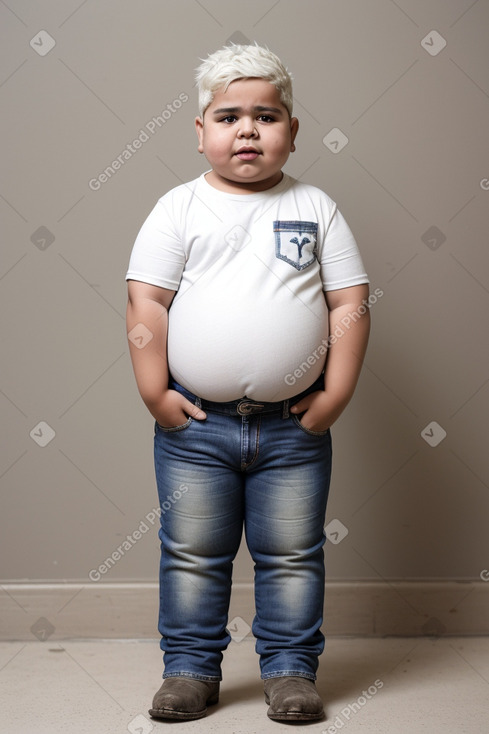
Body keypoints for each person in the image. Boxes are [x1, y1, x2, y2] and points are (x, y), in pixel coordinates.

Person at [126, 43, 370, 723]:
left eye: (266, 116)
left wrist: (335, 397)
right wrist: (155, 393)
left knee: (292, 554)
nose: (247, 130)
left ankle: (291, 671)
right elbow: (146, 303)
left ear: (292, 131)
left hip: (293, 426)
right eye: (228, 115)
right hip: (196, 427)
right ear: (199, 131)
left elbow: (348, 303)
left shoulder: (315, 207)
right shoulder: (178, 208)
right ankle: (190, 671)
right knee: (192, 554)